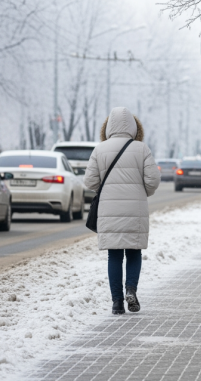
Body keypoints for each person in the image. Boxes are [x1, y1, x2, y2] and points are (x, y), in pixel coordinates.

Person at [85, 107, 161, 315]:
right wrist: (142, 191)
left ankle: (117, 303)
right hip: (135, 209)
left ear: (108, 126)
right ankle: (131, 289)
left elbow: (90, 181)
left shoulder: (99, 150)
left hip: (109, 210)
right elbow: (153, 180)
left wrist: (106, 188)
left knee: (114, 255)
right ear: (134, 127)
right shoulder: (141, 148)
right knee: (134, 251)